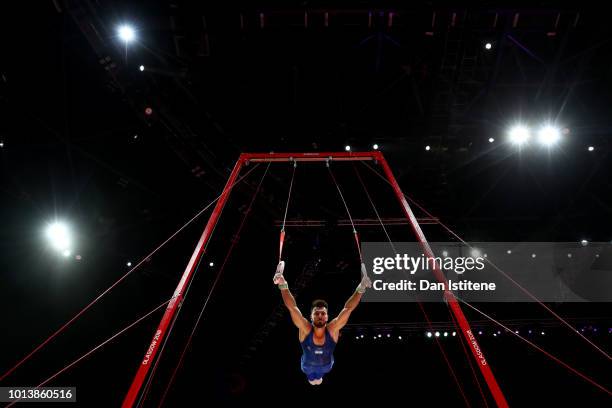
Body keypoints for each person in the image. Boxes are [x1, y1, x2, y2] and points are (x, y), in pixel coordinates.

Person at [273, 261, 372, 385]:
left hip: (325, 367)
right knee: (314, 381)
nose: (320, 316)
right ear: (311, 317)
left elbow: (348, 309)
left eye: (323, 313)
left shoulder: (333, 328)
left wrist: (361, 288)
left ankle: (317, 379)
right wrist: (283, 285)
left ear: (327, 317)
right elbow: (292, 307)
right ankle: (314, 380)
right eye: (317, 313)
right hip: (308, 368)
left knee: (317, 380)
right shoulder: (305, 328)